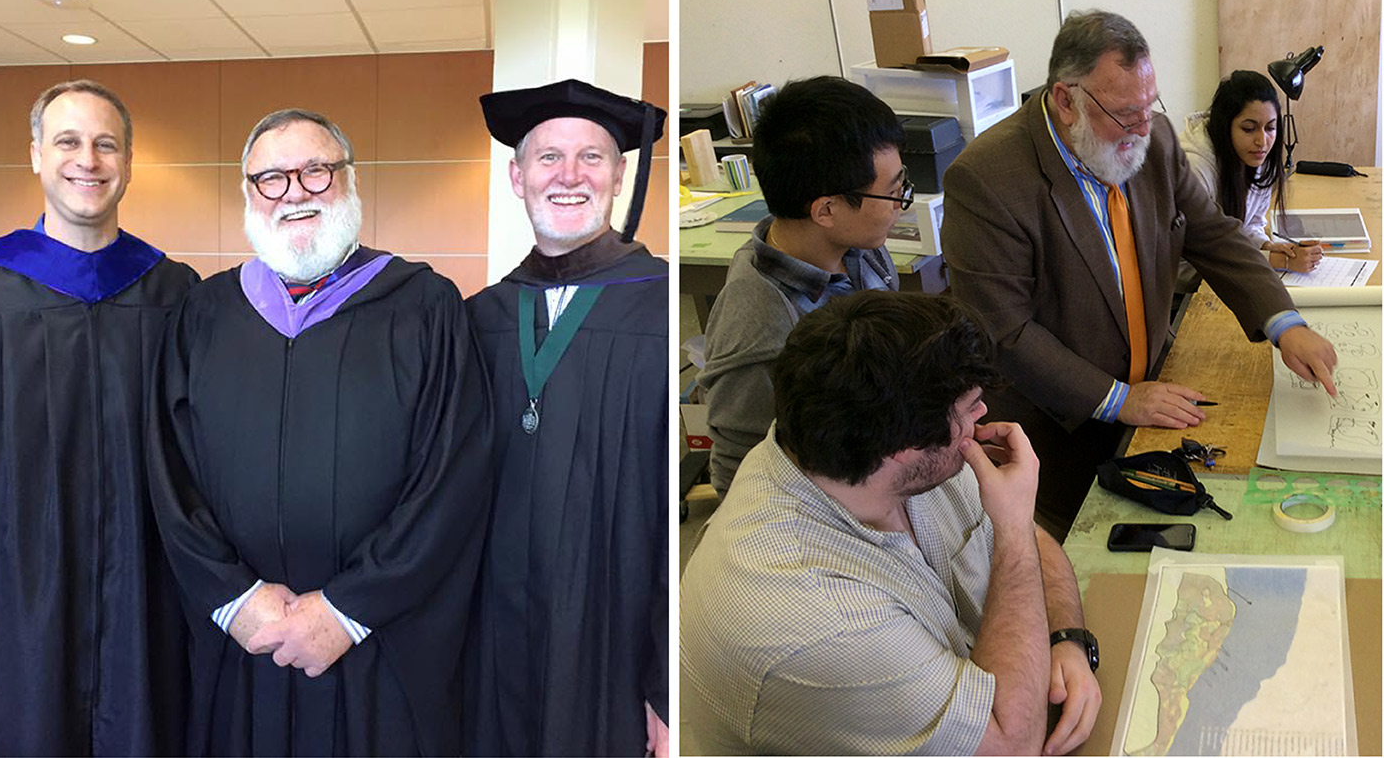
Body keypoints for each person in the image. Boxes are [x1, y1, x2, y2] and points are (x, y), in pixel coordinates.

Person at [147, 108, 493, 755]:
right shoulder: (204, 313)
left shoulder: (424, 305)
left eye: (316, 170)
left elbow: (452, 477)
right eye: (271, 177)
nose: (296, 192)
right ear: (247, 193)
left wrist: (348, 608)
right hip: (244, 641)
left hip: (377, 642)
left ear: (350, 179)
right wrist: (233, 598)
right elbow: (170, 474)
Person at [940, 10, 1338, 539]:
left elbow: (1213, 234)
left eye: (1150, 108)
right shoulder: (987, 179)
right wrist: (1119, 399)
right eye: (1126, 115)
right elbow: (1004, 333)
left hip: (1152, 392)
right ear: (1065, 101)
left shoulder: (1154, 141)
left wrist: (1286, 324)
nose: (1143, 129)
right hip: (1058, 433)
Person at [681, 291, 1102, 756]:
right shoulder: (820, 622)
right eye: (970, 407)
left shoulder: (864, 450)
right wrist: (1016, 524)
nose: (982, 417)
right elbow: (1013, 746)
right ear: (906, 445)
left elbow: (1029, 543)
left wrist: (1067, 641)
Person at [0, 80, 196, 755]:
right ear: (35, 155)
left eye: (105, 143)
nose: (86, 159)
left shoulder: (174, 292)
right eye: (67, 141)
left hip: (145, 589)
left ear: (127, 158)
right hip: (6, 588)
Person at [466, 79, 670, 757]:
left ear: (618, 176)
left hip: (614, 641)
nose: (570, 175)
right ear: (516, 176)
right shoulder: (477, 318)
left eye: (592, 157)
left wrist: (667, 688)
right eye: (549, 157)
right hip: (491, 642)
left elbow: (683, 516)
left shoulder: (661, 308)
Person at [698, 76, 907, 495]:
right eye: (893, 193)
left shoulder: (861, 249)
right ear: (826, 210)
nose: (901, 205)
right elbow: (738, 475)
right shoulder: (761, 323)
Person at [1180, 70, 1321, 273]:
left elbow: (1249, 225)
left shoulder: (1254, 154)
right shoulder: (1194, 168)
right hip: (1185, 286)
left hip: (1223, 272)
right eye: (1248, 129)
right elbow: (1195, 256)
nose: (1262, 141)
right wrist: (1278, 261)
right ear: (1224, 126)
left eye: (1270, 128)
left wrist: (1267, 247)